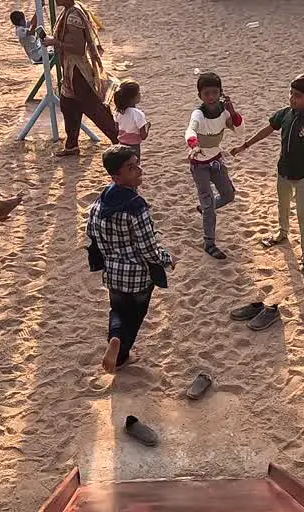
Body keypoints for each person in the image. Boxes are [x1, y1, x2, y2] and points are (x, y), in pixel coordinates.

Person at [86, 145, 173, 373]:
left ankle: (114, 339)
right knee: (134, 317)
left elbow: (92, 235)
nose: (139, 169)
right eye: (131, 167)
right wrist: (167, 259)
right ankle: (122, 355)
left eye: (137, 164)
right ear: (117, 176)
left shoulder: (99, 203)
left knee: (117, 311)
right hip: (138, 276)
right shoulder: (136, 207)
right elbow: (148, 249)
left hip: (113, 273)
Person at [232, 73, 304, 271]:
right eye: (291, 93)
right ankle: (282, 232)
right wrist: (245, 146)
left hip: (303, 175)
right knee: (282, 204)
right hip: (283, 170)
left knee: (303, 213)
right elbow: (267, 130)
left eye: (298, 95)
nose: (292, 98)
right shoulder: (284, 114)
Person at [43, 0, 118, 157]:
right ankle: (72, 146)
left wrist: (54, 42)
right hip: (71, 70)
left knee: (95, 109)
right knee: (68, 105)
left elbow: (78, 48)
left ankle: (119, 142)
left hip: (78, 70)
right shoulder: (70, 10)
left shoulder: (73, 16)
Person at [185, 72, 242, 260]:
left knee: (228, 195)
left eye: (214, 93)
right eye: (206, 93)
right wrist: (194, 145)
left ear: (220, 93)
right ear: (200, 95)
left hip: (216, 161)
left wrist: (232, 112)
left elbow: (240, 132)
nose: (211, 97)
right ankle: (209, 243)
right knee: (209, 204)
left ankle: (205, 209)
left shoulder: (224, 112)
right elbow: (190, 130)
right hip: (199, 165)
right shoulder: (198, 114)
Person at [113, 80, 149, 157]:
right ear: (133, 98)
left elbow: (117, 128)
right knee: (134, 166)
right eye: (138, 92)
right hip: (134, 147)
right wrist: (148, 127)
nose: (140, 94)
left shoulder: (118, 112)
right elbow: (143, 136)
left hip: (121, 145)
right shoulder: (138, 114)